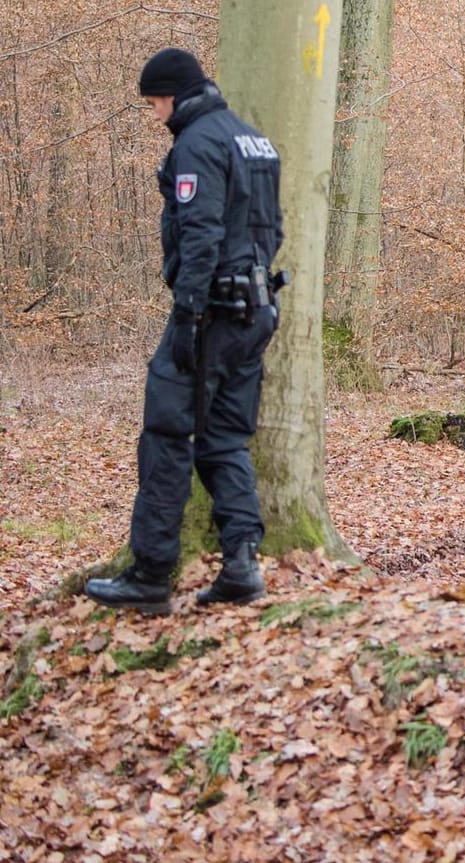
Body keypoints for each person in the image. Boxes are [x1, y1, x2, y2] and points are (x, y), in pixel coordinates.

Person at [85, 49, 282, 615]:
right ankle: (242, 566)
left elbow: (200, 232)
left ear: (173, 95)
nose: (154, 115)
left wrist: (191, 312)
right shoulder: (253, 139)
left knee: (168, 437)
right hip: (257, 310)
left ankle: (148, 576)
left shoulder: (197, 143)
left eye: (153, 104)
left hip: (212, 312)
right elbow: (274, 227)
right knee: (223, 437)